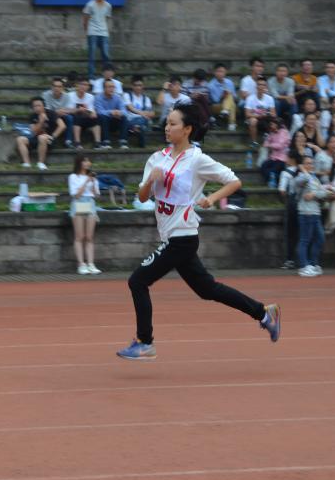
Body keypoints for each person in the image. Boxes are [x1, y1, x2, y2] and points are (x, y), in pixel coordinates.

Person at [118, 96, 280, 360]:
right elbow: (143, 197)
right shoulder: (157, 158)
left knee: (137, 281)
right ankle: (264, 313)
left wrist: (212, 198)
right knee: (207, 289)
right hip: (171, 236)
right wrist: (150, 181)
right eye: (166, 123)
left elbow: (234, 181)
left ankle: (144, 342)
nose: (167, 127)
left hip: (182, 237)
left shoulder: (197, 160)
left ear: (187, 129)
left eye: (173, 124)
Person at [294, 153, 328, 277]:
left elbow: (323, 193)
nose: (310, 165)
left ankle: (313, 264)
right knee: (305, 239)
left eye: (311, 163)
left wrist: (314, 194)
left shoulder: (314, 178)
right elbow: (300, 182)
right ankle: (304, 266)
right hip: (306, 212)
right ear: (302, 165)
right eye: (307, 163)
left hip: (315, 212)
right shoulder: (301, 177)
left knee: (320, 238)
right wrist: (303, 170)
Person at [69, 155, 101, 276]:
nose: (87, 163)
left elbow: (96, 195)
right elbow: (76, 195)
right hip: (79, 203)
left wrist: (93, 183)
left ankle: (91, 263)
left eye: (88, 161)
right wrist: (87, 181)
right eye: (85, 161)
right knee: (79, 236)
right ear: (79, 163)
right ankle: (81, 264)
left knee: (89, 236)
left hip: (90, 203)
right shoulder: (73, 177)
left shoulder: (93, 178)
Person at [17, 96, 65, 169]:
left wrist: (52, 137)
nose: (37, 108)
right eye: (35, 106)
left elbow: (62, 126)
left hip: (49, 139)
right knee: (20, 139)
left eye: (39, 105)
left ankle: (41, 163)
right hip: (36, 137)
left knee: (42, 138)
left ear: (43, 106)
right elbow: (34, 131)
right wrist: (41, 121)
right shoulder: (32, 116)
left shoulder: (51, 113)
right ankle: (27, 163)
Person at [82, 0, 112, 79]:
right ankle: (91, 77)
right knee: (92, 56)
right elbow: (85, 19)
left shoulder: (108, 6)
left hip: (104, 33)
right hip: (93, 32)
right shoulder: (90, 4)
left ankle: (108, 76)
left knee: (106, 56)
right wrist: (87, 31)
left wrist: (106, 30)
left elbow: (106, 19)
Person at [278, 152, 302, 270]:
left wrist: (286, 200)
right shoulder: (304, 170)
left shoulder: (286, 173)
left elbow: (282, 190)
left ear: (292, 159)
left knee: (291, 233)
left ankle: (290, 259)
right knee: (303, 233)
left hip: (292, 203)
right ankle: (303, 259)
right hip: (305, 203)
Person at [66, 78, 102, 148]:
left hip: (86, 117)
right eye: (82, 84)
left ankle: (97, 143)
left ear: (88, 87)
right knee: (77, 118)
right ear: (77, 85)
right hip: (74, 117)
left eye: (86, 85)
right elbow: (68, 110)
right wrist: (78, 110)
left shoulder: (90, 97)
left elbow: (91, 109)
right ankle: (77, 142)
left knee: (96, 118)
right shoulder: (69, 95)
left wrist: (93, 112)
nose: (83, 86)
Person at [122, 76, 155, 147]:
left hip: (142, 120)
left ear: (143, 86)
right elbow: (130, 108)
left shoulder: (146, 98)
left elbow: (151, 113)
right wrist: (143, 113)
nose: (138, 87)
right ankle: (138, 128)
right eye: (136, 85)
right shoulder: (127, 95)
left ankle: (135, 127)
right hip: (129, 120)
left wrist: (147, 114)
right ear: (132, 86)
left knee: (143, 120)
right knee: (141, 124)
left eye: (140, 85)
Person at [95, 79, 127, 149]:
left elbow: (125, 111)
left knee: (124, 117)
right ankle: (106, 141)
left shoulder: (118, 97)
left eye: (113, 87)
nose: (112, 89)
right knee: (102, 117)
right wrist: (111, 112)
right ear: (104, 88)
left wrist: (119, 112)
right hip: (103, 122)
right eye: (109, 87)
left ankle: (123, 141)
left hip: (114, 121)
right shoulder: (98, 97)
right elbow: (99, 111)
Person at [42, 77, 75, 145]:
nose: (56, 88)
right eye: (55, 86)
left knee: (70, 118)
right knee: (43, 116)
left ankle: (68, 140)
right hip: (50, 115)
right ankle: (48, 138)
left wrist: (61, 112)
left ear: (62, 88)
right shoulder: (46, 94)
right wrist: (56, 112)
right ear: (51, 87)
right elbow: (46, 109)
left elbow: (68, 109)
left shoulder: (66, 96)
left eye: (59, 86)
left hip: (62, 115)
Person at [244, 77, 276, 146]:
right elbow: (247, 114)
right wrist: (259, 115)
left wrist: (266, 114)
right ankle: (254, 142)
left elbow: (273, 114)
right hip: (255, 118)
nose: (261, 87)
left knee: (274, 120)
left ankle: (270, 139)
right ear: (256, 86)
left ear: (266, 87)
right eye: (259, 84)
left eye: (263, 85)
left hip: (266, 119)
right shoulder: (250, 98)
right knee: (253, 121)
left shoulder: (270, 98)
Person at [260, 117, 290, 186]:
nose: (271, 126)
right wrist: (268, 144)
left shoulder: (284, 132)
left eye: (272, 124)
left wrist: (269, 145)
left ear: (277, 124)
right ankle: (273, 180)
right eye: (271, 124)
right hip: (273, 157)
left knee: (272, 171)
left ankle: (275, 181)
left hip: (282, 158)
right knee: (263, 166)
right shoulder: (272, 133)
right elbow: (266, 142)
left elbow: (280, 146)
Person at [207, 63, 237, 130]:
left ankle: (225, 111)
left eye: (222, 71)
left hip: (229, 103)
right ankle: (232, 123)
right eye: (218, 71)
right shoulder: (211, 85)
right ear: (214, 72)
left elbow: (235, 97)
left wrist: (230, 95)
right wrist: (223, 96)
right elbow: (215, 101)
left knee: (230, 98)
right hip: (217, 105)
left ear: (225, 72)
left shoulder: (229, 82)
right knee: (231, 102)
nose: (220, 73)